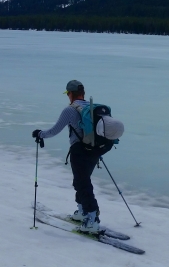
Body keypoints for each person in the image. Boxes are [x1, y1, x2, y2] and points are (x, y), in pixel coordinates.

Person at [31, 80, 114, 233]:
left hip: (79, 150)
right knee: (80, 181)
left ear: (70, 94)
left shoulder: (70, 110)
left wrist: (40, 134)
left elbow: (55, 130)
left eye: (67, 94)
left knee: (82, 183)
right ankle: (83, 212)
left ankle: (92, 219)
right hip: (95, 150)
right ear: (83, 93)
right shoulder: (91, 108)